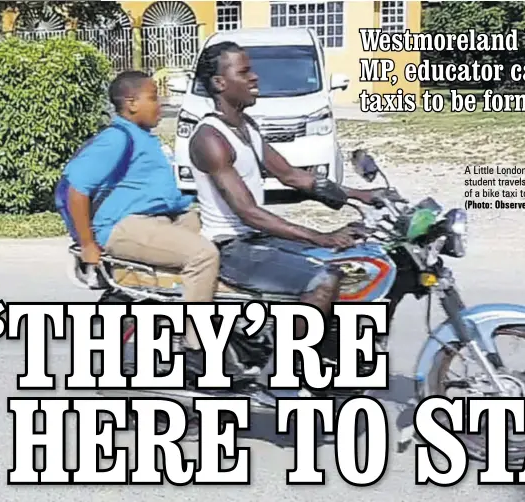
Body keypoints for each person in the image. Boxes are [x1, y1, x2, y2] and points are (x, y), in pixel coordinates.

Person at [187, 41, 390, 357]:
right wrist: (322, 236)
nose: (254, 77)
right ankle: (288, 378)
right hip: (232, 248)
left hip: (257, 239)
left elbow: (292, 176)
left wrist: (361, 194)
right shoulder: (210, 138)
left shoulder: (246, 126)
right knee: (324, 279)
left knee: (353, 258)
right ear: (219, 83)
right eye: (244, 72)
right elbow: (248, 212)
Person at [64, 70, 219, 349]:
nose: (160, 105)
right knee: (203, 256)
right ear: (131, 103)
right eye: (153, 98)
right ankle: (198, 348)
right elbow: (77, 189)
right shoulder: (117, 138)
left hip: (162, 219)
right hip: (124, 226)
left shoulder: (143, 137)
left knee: (226, 238)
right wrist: (87, 244)